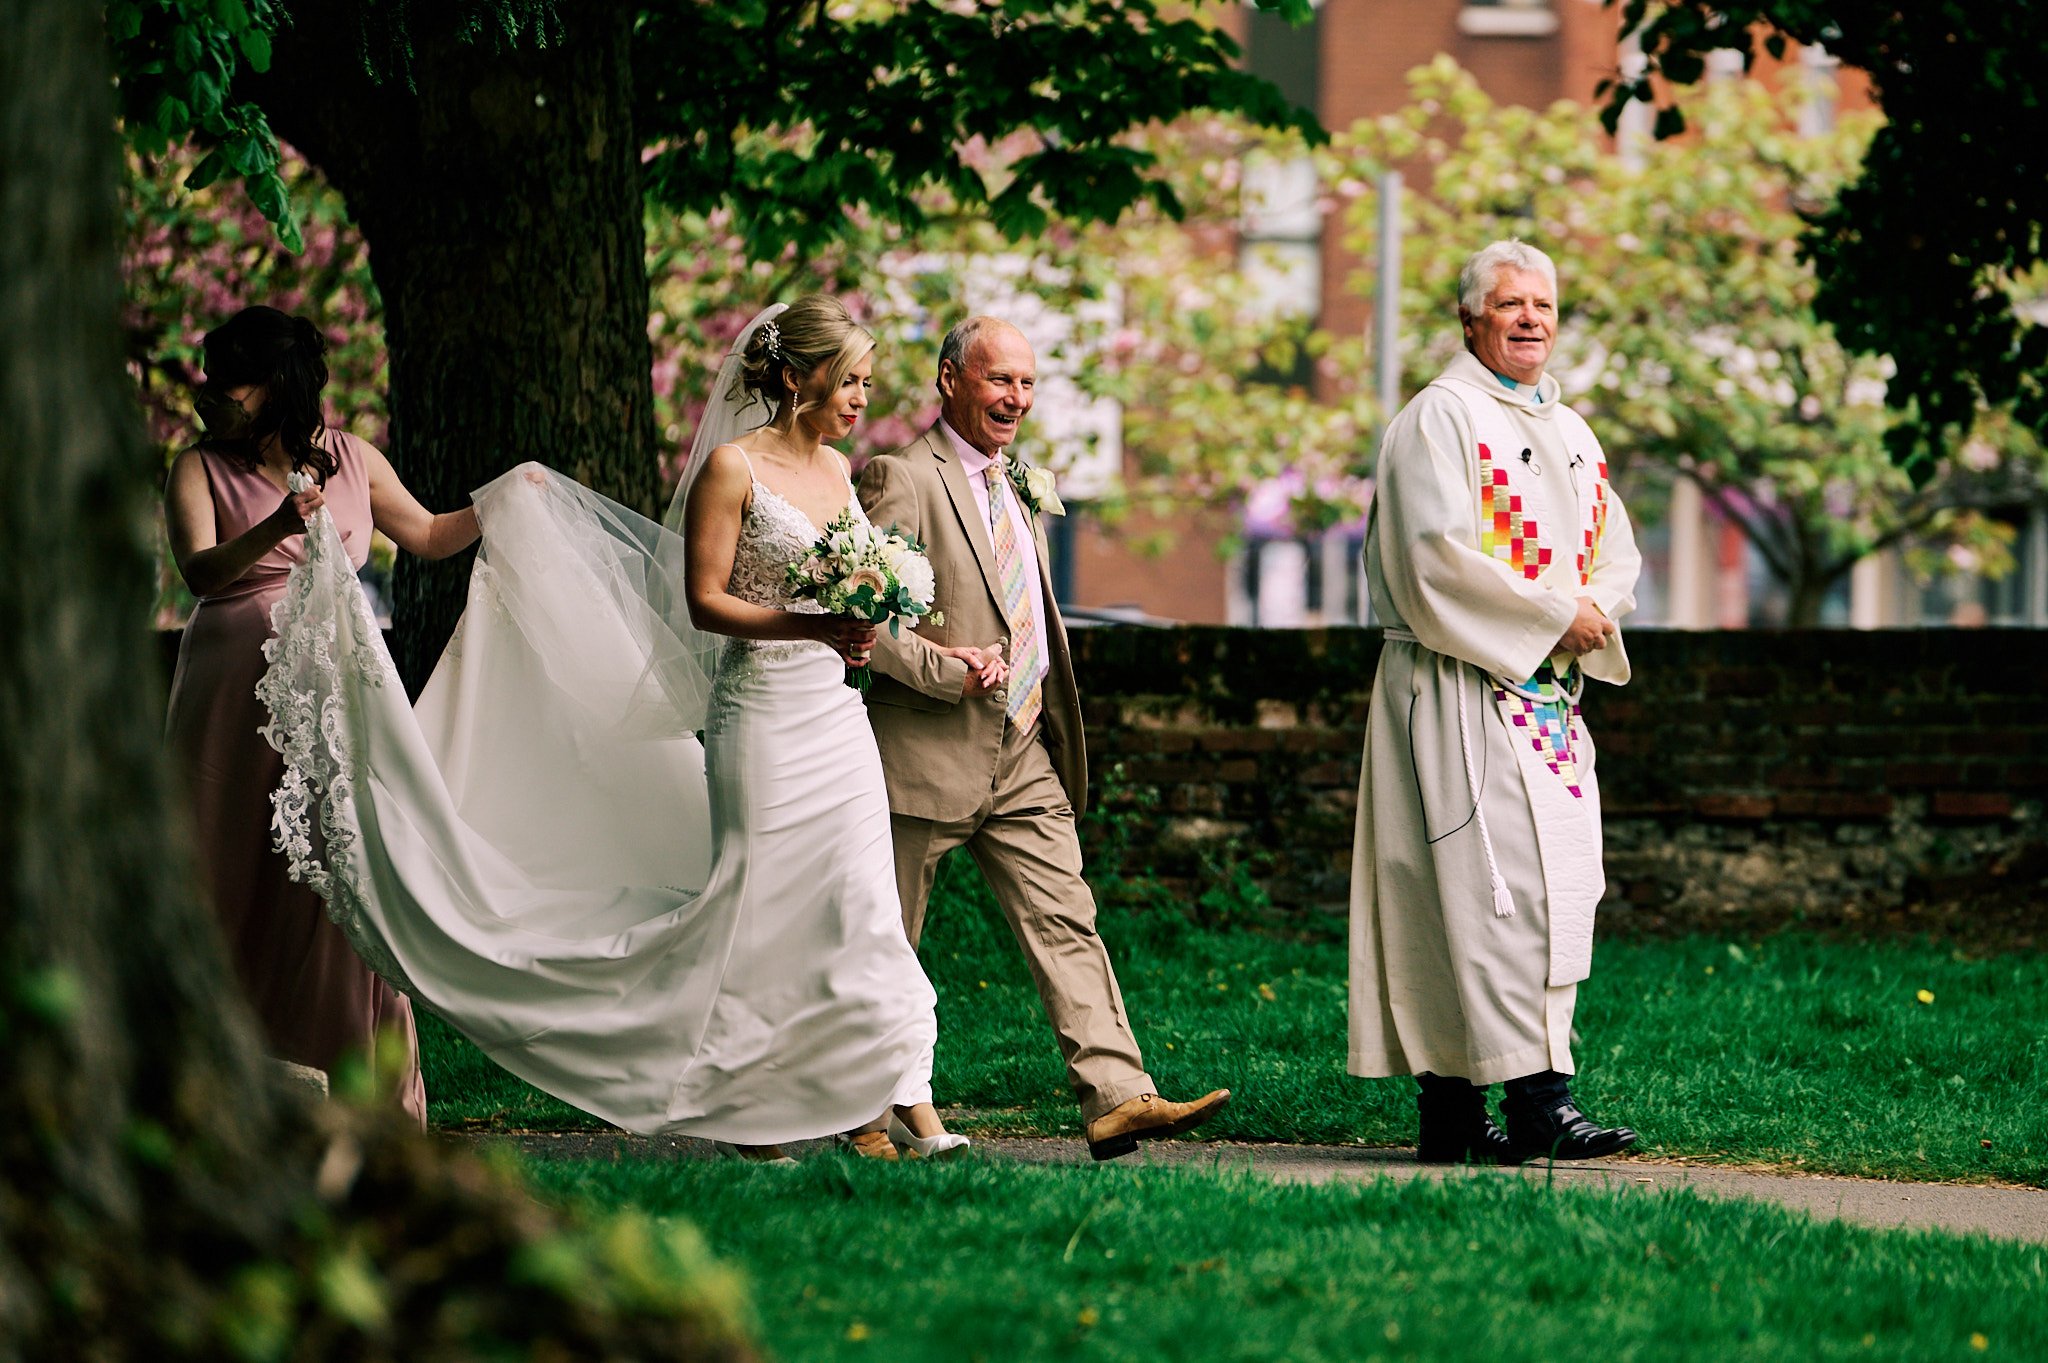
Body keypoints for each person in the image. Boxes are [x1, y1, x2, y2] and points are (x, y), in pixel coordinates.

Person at [252, 297, 962, 1162]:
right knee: (755, 911)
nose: (861, 395)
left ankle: (912, 1105)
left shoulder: (846, 471)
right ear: (791, 375)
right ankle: (743, 1101)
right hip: (764, 718)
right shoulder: (732, 470)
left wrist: (905, 632)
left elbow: (850, 594)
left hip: (836, 717)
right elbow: (706, 602)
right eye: (847, 378)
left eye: (865, 380)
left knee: (864, 904)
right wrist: (811, 627)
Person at [856, 316, 1231, 1161]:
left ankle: (1118, 1096)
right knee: (886, 937)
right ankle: (861, 1113)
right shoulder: (900, 478)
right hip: (923, 749)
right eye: (999, 381)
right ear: (950, 379)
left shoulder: (1016, 484)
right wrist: (947, 672)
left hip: (1025, 745)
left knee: (1068, 918)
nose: (1015, 398)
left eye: (1026, 383)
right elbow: (867, 625)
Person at [1347, 240, 1644, 1164]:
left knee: (1549, 890)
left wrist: (1594, 608)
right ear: (1470, 318)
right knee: (1475, 894)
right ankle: (1522, 1105)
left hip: (1544, 698)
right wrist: (1558, 614)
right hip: (1457, 682)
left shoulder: (1571, 428)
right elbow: (1437, 559)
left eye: (1544, 305)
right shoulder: (1438, 420)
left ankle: (1471, 1113)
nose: (1530, 320)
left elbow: (1615, 545)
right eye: (1510, 304)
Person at [164, 305, 478, 1126]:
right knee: (233, 867)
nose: (212, 394)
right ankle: (222, 1074)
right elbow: (200, 573)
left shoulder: (352, 458)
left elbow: (433, 534)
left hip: (335, 686)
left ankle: (355, 1082)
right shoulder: (195, 467)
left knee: (338, 868)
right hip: (234, 697)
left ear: (278, 386)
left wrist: (507, 502)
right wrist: (273, 524)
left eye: (230, 377)